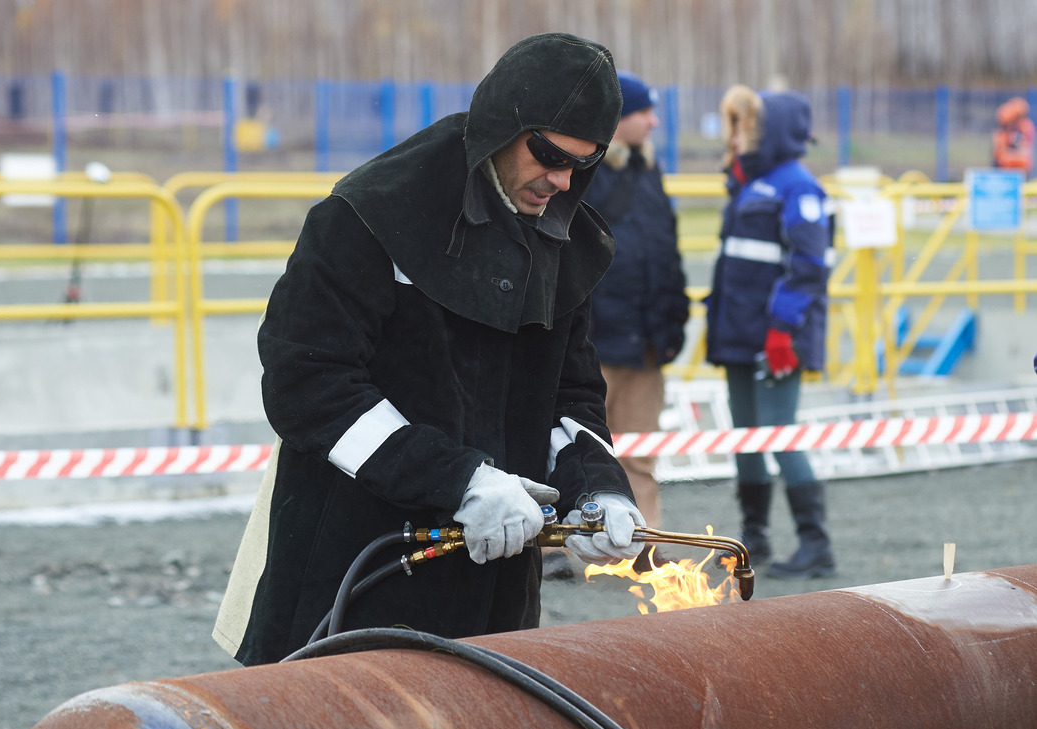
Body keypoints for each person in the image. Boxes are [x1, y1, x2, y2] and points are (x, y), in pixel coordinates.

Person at [213, 32, 646, 667]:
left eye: (581, 165)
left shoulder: (567, 241)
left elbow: (572, 396)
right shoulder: (371, 212)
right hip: (355, 573)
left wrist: (599, 488)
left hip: (494, 595)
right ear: (504, 124)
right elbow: (307, 384)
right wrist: (460, 481)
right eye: (549, 154)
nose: (560, 179)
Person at [706, 84, 835, 579]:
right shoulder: (751, 183)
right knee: (747, 438)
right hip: (739, 334)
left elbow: (808, 267)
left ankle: (816, 544)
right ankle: (753, 538)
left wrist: (783, 329)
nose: (737, 137)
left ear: (770, 131)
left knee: (780, 435)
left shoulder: (798, 187)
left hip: (776, 337)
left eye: (747, 127)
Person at [584, 71, 689, 533]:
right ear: (617, 117)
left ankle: (641, 539)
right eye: (644, 111)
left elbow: (667, 249)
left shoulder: (649, 171)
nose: (653, 122)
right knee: (576, 444)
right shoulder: (582, 174)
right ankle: (556, 548)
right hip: (595, 343)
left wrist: (675, 320)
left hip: (646, 341)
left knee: (640, 451)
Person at [992, 96, 1035, 175]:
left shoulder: (1025, 127)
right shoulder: (1003, 132)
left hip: (1020, 172)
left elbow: (1025, 157)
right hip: (1003, 171)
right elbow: (1000, 156)